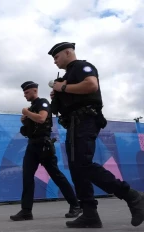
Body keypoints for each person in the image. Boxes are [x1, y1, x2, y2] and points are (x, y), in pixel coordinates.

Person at [48, 42, 144, 228]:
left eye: (56, 56)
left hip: (84, 120)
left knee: (83, 164)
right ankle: (90, 214)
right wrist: (59, 96)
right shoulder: (67, 76)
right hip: (74, 124)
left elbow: (91, 85)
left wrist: (63, 89)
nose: (54, 61)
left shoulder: (82, 66)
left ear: (68, 52)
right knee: (77, 168)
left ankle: (132, 196)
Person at [10, 81, 82, 221]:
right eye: (24, 93)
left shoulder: (42, 102)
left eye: (26, 92)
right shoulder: (32, 107)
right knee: (27, 177)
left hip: (43, 145)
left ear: (34, 91)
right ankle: (26, 211)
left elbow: (42, 118)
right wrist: (25, 119)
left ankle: (75, 205)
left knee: (56, 176)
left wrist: (26, 113)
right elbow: (33, 124)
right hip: (32, 145)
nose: (25, 95)